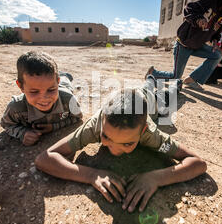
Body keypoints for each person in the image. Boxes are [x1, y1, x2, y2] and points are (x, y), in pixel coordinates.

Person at [34, 83, 207, 213]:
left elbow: (198, 163)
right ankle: (150, 79)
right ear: (102, 122)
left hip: (150, 101)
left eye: (127, 143)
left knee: (165, 98)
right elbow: (44, 159)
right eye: (106, 137)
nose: (115, 150)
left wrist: (156, 178)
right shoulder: (95, 125)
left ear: (143, 132)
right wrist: (91, 175)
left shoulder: (150, 134)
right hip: (128, 97)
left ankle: (166, 84)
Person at [0, 51, 82, 146]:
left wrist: (53, 127)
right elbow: (6, 124)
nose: (44, 98)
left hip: (63, 87)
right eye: (34, 92)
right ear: (21, 86)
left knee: (66, 83)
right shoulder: (16, 108)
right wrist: (23, 133)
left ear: (57, 83)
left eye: (51, 90)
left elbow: (77, 117)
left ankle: (64, 76)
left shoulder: (68, 99)